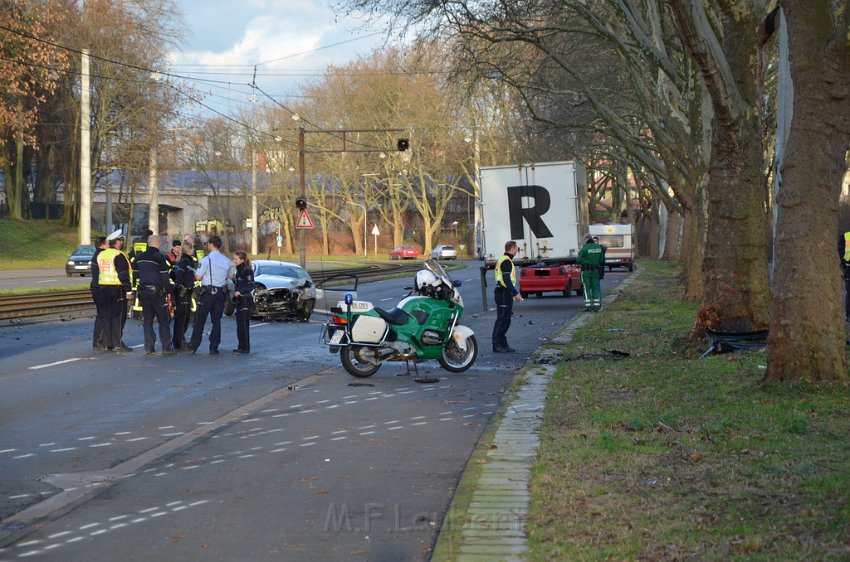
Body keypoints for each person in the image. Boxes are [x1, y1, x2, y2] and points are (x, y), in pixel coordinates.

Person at [187, 235, 232, 354]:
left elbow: (198, 277)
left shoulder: (206, 260)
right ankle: (214, 347)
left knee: (200, 320)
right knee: (216, 321)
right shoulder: (227, 260)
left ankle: (194, 345)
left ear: (211, 244)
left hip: (207, 293)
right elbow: (229, 277)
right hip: (221, 293)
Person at [134, 235, 175, 355]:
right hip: (157, 293)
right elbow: (164, 277)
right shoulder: (160, 257)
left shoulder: (139, 257)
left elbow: (136, 275)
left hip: (144, 292)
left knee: (148, 321)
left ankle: (149, 347)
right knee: (163, 320)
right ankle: (167, 347)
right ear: (157, 244)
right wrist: (169, 291)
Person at [96, 229, 134, 351]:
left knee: (107, 316)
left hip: (103, 287)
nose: (122, 242)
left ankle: (107, 343)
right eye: (121, 239)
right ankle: (117, 343)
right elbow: (123, 274)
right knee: (119, 316)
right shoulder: (118, 255)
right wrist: (128, 291)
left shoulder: (101, 254)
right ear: (117, 241)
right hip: (117, 289)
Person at [491, 240, 522, 353]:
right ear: (512, 248)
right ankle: (497, 345)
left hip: (505, 293)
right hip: (503, 293)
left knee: (506, 320)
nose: (517, 250)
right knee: (502, 320)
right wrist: (516, 293)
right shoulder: (506, 261)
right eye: (516, 248)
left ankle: (503, 344)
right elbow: (506, 280)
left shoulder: (505, 260)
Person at [171, 241, 196, 351]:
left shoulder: (181, 260)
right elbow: (177, 274)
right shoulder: (186, 261)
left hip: (183, 292)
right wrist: (182, 285)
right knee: (183, 318)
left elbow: (171, 274)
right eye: (193, 248)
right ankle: (179, 343)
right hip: (184, 293)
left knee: (181, 318)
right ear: (189, 250)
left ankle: (179, 340)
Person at [231, 250, 255, 353]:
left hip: (245, 300)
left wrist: (240, 292)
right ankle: (241, 346)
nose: (234, 261)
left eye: (236, 259)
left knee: (244, 325)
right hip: (239, 300)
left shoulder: (247, 270)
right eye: (234, 259)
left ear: (242, 260)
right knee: (239, 324)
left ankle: (245, 347)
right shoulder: (238, 271)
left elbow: (251, 285)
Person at [578, 233, 605, 312]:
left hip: (586, 271)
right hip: (596, 271)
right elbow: (601, 260)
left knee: (586, 288)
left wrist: (585, 261)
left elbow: (579, 260)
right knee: (595, 287)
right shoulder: (599, 247)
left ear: (586, 239)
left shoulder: (584, 248)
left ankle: (588, 306)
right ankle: (596, 306)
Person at [89, 235, 108, 349]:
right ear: (102, 245)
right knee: (103, 315)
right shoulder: (102, 256)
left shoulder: (95, 255)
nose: (108, 245)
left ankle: (97, 340)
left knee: (100, 315)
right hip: (101, 288)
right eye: (107, 244)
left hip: (95, 288)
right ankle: (100, 340)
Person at [839, 231, 850, 321]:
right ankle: (848, 315)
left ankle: (848, 315)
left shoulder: (845, 236)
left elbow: (841, 252)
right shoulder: (845, 237)